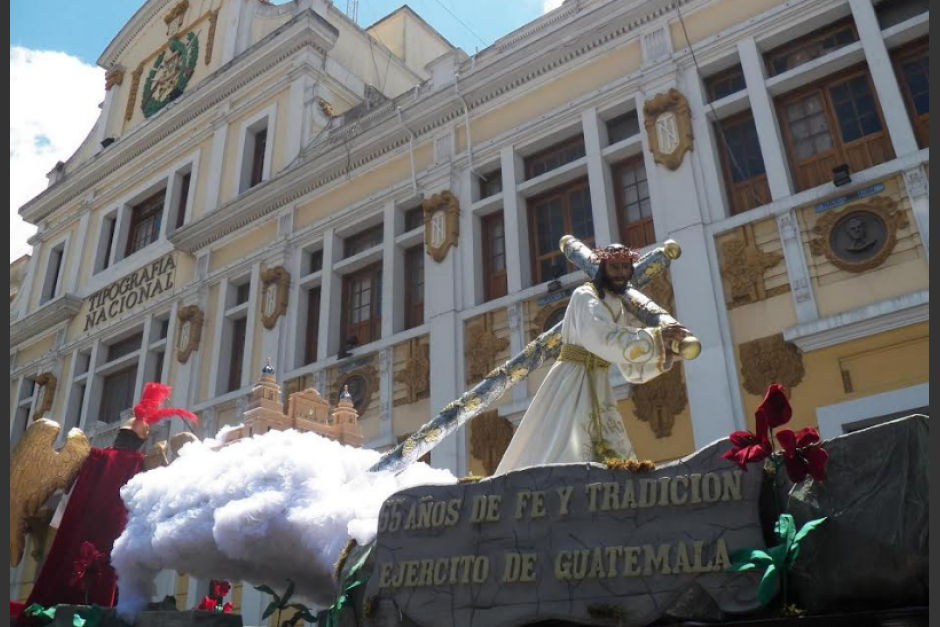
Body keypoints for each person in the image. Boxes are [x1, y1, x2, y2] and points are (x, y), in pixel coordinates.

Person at [494, 245, 687, 475]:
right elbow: (600, 337)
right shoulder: (584, 295)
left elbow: (626, 364)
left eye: (625, 267)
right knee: (564, 448)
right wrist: (655, 338)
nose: (620, 273)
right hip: (572, 379)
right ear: (602, 268)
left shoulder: (617, 305)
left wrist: (662, 352)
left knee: (614, 454)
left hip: (599, 382)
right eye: (614, 266)